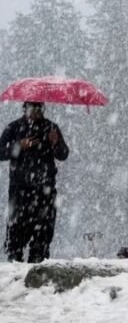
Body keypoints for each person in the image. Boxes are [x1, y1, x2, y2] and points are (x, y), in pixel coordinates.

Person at [0, 101, 69, 262]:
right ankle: (14, 261)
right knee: (16, 230)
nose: (36, 112)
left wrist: (55, 142)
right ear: (25, 109)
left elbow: (63, 154)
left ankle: (39, 262)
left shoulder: (51, 128)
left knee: (43, 231)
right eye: (32, 108)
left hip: (45, 188)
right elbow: (0, 152)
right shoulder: (14, 127)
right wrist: (19, 146)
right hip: (20, 188)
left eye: (40, 109)